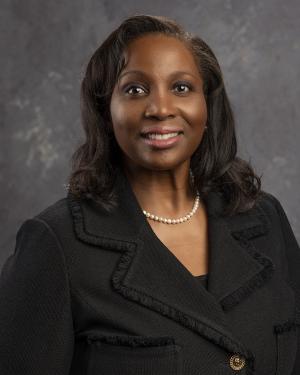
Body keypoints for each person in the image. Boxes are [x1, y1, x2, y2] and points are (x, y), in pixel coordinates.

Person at [0, 14, 299, 375]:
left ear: (207, 106)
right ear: (105, 111)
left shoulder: (265, 218)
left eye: (182, 88)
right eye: (135, 90)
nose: (160, 109)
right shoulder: (56, 245)